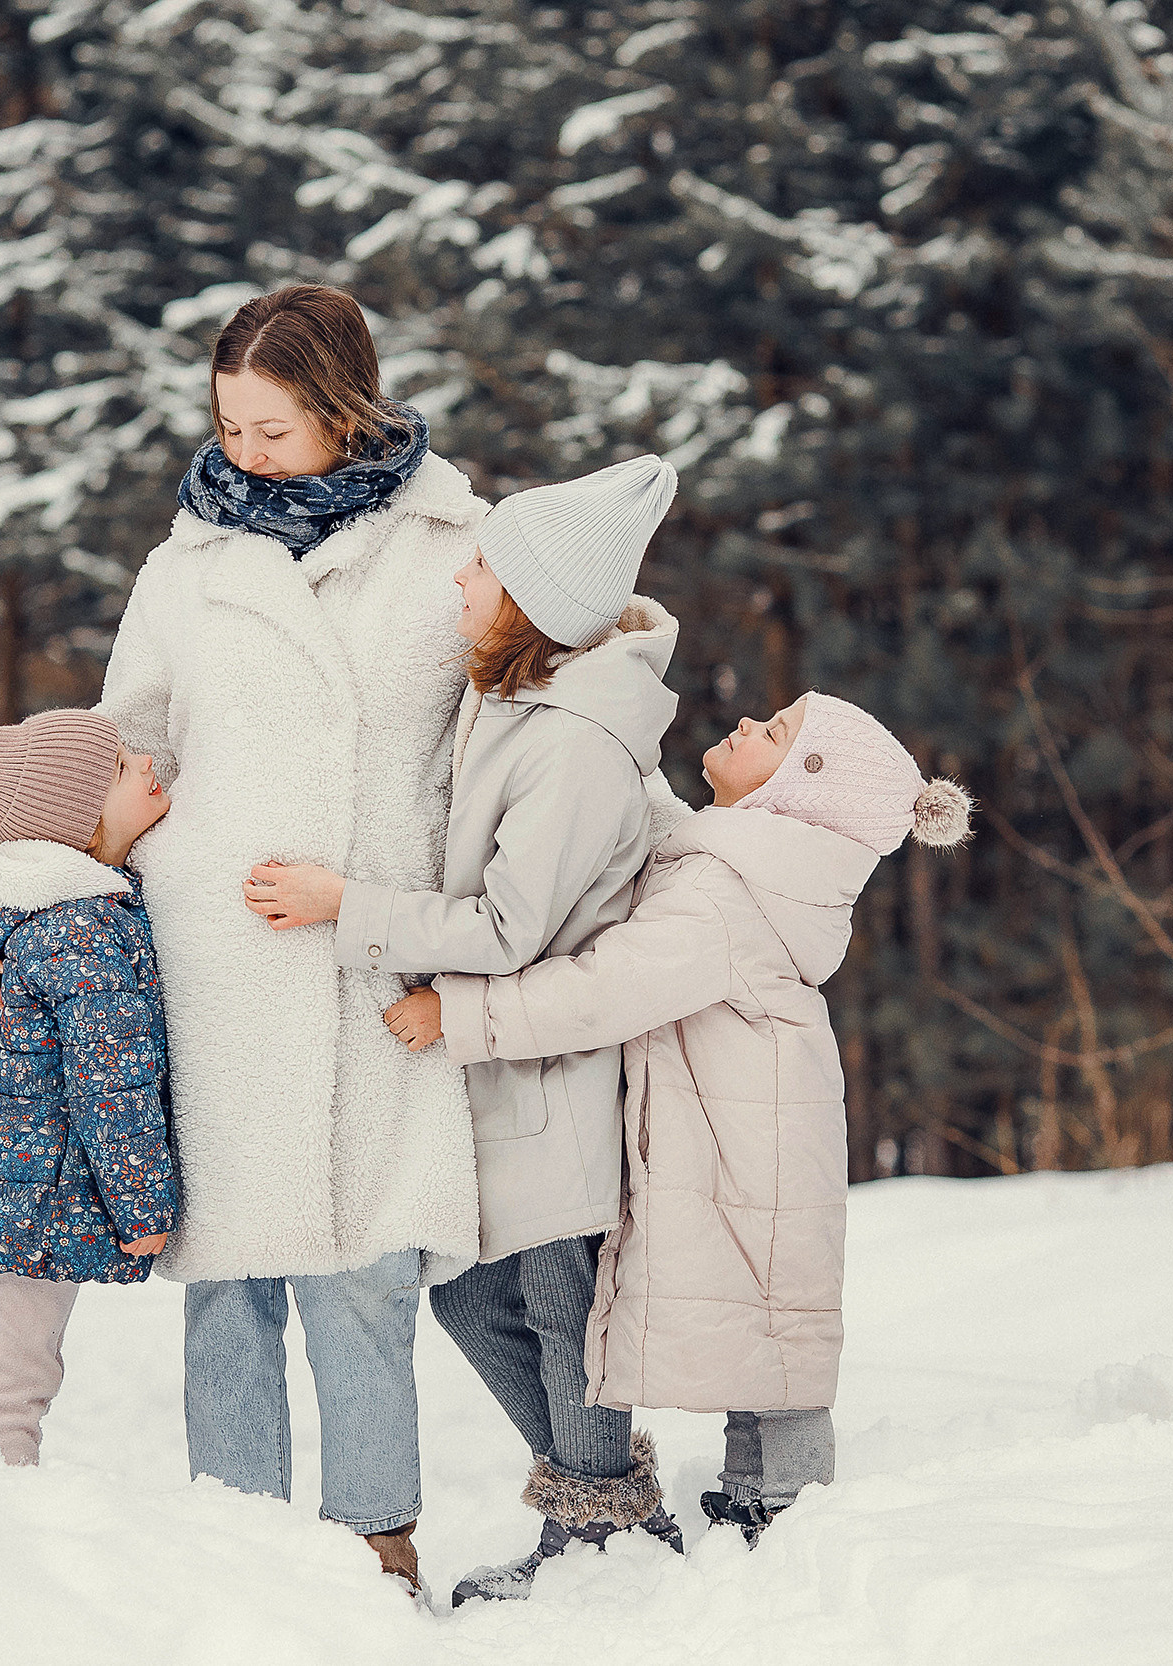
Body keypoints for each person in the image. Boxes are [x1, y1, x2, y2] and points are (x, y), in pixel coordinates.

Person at [0, 284, 488, 1596]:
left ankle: (379, 1546)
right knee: (232, 1286)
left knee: (367, 1275)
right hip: (215, 957)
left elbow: (529, 723)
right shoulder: (190, 566)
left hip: (377, 946)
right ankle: (242, 1558)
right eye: (229, 425)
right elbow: (109, 756)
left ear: (344, 410)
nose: (245, 452)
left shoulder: (459, 546)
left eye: (274, 428)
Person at [243, 456, 693, 1606]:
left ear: (537, 600)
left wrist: (348, 906)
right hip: (502, 1073)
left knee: (555, 1297)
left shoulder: (574, 740)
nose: (460, 576)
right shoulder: (522, 698)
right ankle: (599, 1507)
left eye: (484, 565)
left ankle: (599, 1529)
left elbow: (506, 925)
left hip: (550, 1072)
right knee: (472, 1293)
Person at [387, 688, 973, 1545]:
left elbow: (606, 990)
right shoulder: (741, 865)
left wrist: (466, 1015)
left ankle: (783, 1516)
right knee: (768, 1324)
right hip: (750, 1141)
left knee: (768, 1325)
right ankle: (750, 1500)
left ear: (794, 793)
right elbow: (662, 824)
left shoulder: (725, 893)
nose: (745, 725)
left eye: (772, 734)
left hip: (745, 1149)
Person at [0, 708, 176, 1467]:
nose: (150, 765)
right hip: (41, 1180)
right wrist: (142, 1207)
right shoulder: (81, 931)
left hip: (27, 1169)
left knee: (21, 1361)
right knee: (21, 1370)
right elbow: (110, 1082)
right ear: (82, 820)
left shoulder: (57, 906)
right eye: (128, 767)